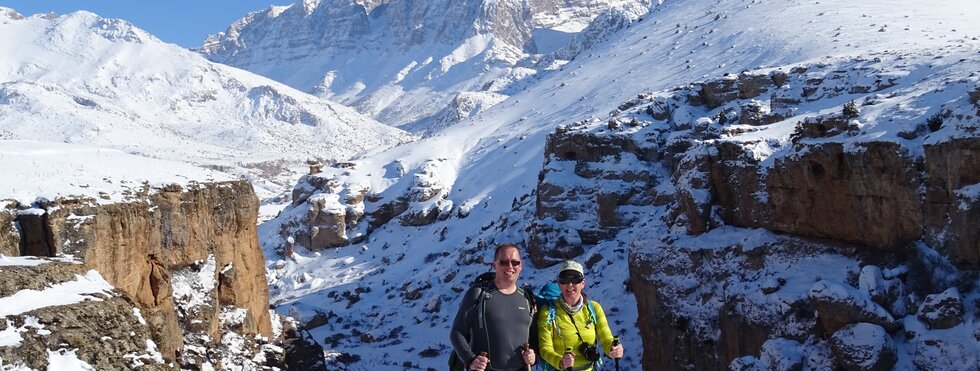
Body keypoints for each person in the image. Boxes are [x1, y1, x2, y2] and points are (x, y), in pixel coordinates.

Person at [450, 243, 537, 371]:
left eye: (515, 262)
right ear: (494, 265)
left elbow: (533, 338)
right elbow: (457, 332)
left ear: (521, 266)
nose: (510, 267)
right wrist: (470, 359)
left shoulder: (526, 297)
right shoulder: (478, 293)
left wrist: (533, 357)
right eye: (504, 262)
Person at [537, 260, 623, 370]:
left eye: (575, 280)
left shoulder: (594, 308)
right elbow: (545, 348)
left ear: (583, 283)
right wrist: (561, 362)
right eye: (564, 280)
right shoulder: (548, 312)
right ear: (559, 283)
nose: (570, 285)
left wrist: (614, 349)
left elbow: (606, 339)